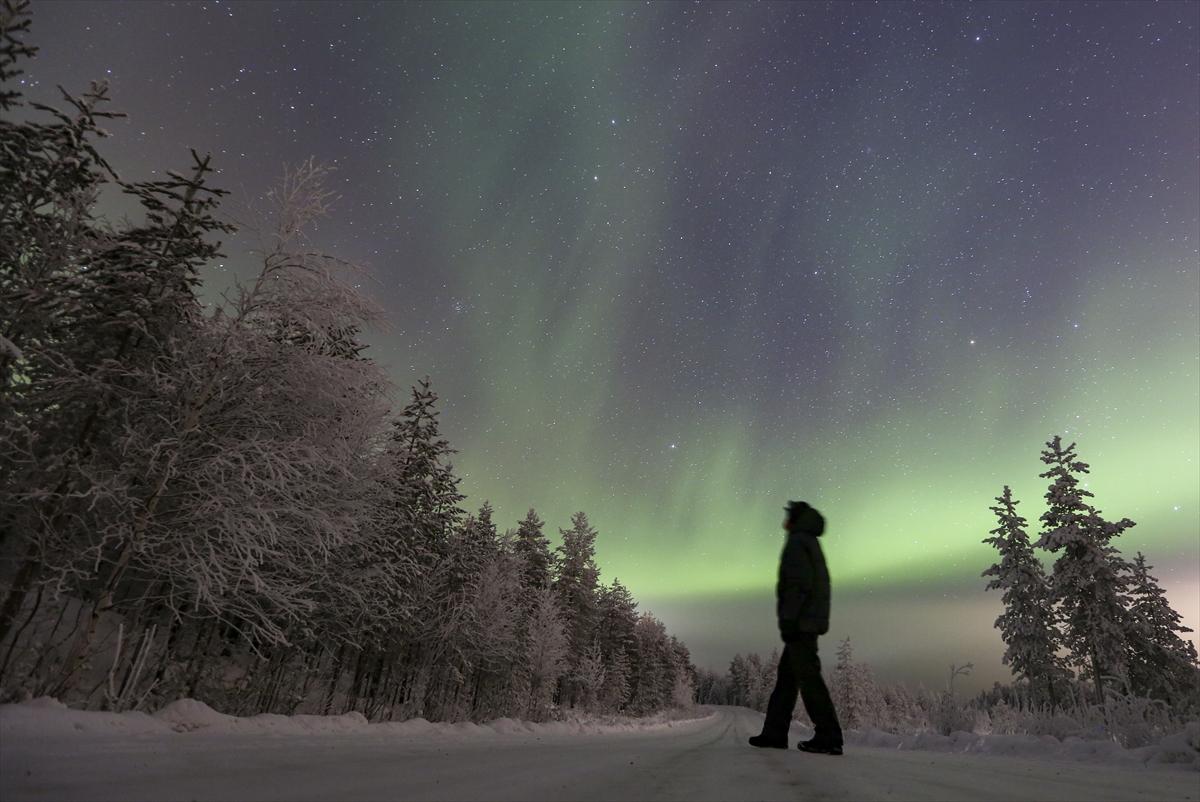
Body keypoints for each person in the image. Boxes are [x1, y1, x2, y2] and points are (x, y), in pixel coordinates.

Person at [748, 500, 843, 755]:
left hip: (801, 623)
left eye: (788, 515)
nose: (784, 519)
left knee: (808, 678)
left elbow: (797, 585)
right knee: (787, 680)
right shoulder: (809, 541)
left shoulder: (798, 541)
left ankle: (829, 735)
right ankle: (774, 734)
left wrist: (789, 621)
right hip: (806, 621)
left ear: (796, 518)